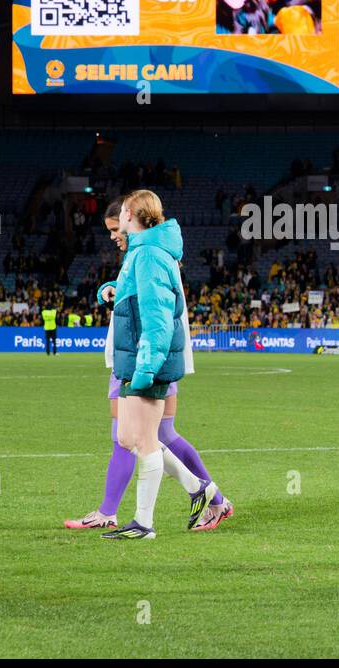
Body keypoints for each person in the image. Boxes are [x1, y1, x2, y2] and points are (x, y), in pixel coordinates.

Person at [65, 197, 232, 535]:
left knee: (145, 438)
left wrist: (146, 367)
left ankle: (142, 521)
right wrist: (113, 289)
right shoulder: (143, 252)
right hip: (136, 357)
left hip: (145, 360)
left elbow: (156, 317)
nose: (113, 234)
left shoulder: (150, 253)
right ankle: (202, 490)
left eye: (116, 225)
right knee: (133, 436)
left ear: (129, 215)